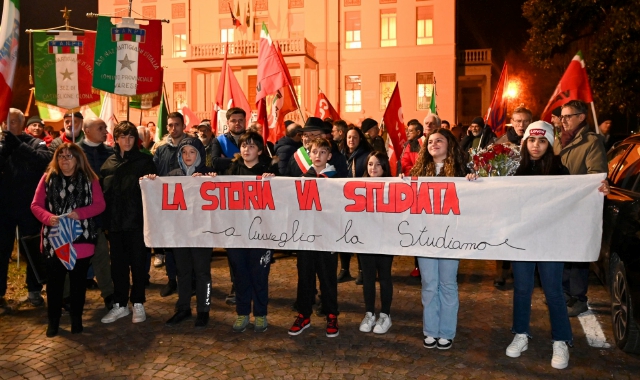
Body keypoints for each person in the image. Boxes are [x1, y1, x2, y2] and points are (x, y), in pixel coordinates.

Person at [467, 121, 609, 369]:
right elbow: (494, 195)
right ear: (525, 143)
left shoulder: (560, 171)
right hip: (521, 239)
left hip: (549, 240)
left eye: (542, 141)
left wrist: (597, 189)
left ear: (550, 144)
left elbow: (576, 196)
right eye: (532, 140)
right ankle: (520, 333)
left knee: (553, 290)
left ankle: (561, 340)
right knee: (522, 288)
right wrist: (476, 181)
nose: (536, 145)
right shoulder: (513, 169)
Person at [30, 143, 106, 337]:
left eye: (69, 156)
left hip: (81, 239)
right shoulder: (47, 179)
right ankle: (53, 322)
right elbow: (36, 205)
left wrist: (79, 213)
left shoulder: (90, 179)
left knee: (78, 284)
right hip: (55, 240)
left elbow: (99, 205)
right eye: (61, 156)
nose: (64, 160)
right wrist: (48, 218)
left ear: (78, 159)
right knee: (54, 284)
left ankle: (77, 321)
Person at [410, 128, 470, 350]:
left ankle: (446, 331)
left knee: (447, 284)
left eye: (439, 141)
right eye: (430, 142)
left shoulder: (461, 171)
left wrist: (472, 181)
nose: (433, 144)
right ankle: (430, 330)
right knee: (429, 284)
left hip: (451, 237)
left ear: (449, 144)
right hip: (425, 237)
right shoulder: (419, 170)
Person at [146, 137, 213, 328]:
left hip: (202, 233)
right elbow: (161, 196)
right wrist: (153, 183)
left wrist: (213, 180)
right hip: (180, 233)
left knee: (201, 273)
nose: (188, 156)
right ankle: (183, 308)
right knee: (182, 272)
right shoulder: (172, 175)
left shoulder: (209, 175)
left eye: (192, 152)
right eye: (184, 152)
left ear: (199, 154)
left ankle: (203, 309)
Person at [100, 121, 157, 324]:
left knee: (139, 265)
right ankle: (121, 304)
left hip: (137, 224)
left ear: (136, 139)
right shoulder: (108, 164)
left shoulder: (145, 162)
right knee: (118, 266)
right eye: (123, 137)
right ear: (116, 139)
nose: (127, 141)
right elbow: (103, 196)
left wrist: (153, 180)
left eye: (131, 137)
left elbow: (154, 193)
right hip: (115, 226)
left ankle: (138, 303)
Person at [555, 100, 607, 317]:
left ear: (582, 117)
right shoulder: (558, 141)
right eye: (562, 116)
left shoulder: (592, 141)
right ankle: (564, 293)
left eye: (568, 116)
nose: (563, 120)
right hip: (560, 206)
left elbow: (596, 173)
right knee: (562, 250)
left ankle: (578, 297)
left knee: (577, 253)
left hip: (580, 206)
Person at [223, 132, 278, 333]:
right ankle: (242, 313)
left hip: (262, 235)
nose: (247, 150)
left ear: (260, 150)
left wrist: (274, 181)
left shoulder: (269, 171)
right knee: (240, 275)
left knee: (260, 275)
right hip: (236, 234)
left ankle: (261, 314)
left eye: (252, 146)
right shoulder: (230, 172)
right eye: (244, 146)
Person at [0, 108, 52, 309]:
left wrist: (19, 146)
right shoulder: (2, 144)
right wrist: (5, 149)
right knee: (2, 250)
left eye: (13, 122)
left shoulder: (34, 142)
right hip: (4, 207)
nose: (8, 125)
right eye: (6, 122)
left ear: (21, 124)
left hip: (28, 206)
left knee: (32, 249)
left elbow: (43, 161)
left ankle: (34, 290)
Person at [289, 137, 340, 338]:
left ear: (329, 155)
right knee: (305, 276)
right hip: (306, 236)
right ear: (309, 155)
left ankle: (331, 314)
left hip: (328, 236)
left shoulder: (337, 179)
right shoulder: (302, 179)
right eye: (314, 152)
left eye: (322, 152)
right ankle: (304, 313)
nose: (318, 156)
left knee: (328, 278)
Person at [78, 118, 115, 310]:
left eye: (105, 128)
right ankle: (70, 296)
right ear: (87, 130)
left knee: (102, 255)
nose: (105, 131)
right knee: (74, 257)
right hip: (78, 214)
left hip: (101, 213)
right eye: (101, 128)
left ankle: (108, 293)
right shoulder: (74, 153)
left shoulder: (110, 153)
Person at [358, 151, 394, 334]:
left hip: (385, 239)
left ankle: (386, 314)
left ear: (385, 167)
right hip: (366, 239)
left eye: (378, 164)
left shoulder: (393, 186)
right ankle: (370, 313)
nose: (373, 168)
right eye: (370, 164)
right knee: (368, 278)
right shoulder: (358, 186)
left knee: (385, 276)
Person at [153, 112, 188, 296]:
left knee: (187, 245)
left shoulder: (191, 146)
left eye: (177, 124)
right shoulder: (160, 149)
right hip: (166, 204)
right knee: (169, 245)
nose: (173, 128)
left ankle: (188, 282)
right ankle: (171, 279)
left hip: (187, 205)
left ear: (184, 125)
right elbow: (155, 171)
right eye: (170, 125)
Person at [337, 126, 372, 284]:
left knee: (359, 237)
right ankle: (344, 269)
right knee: (343, 237)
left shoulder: (366, 156)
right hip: (342, 203)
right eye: (349, 137)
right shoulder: (339, 155)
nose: (351, 140)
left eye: (355, 137)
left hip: (360, 203)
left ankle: (362, 270)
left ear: (360, 139)